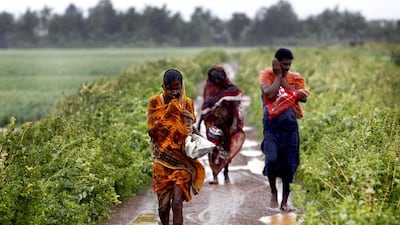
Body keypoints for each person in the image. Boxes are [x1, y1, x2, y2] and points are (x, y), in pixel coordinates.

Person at [147, 68, 205, 225]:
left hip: (182, 161)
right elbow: (152, 131)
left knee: (177, 203)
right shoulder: (155, 102)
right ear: (163, 87)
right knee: (163, 208)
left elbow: (189, 127)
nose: (174, 92)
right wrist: (171, 110)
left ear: (182, 86)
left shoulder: (187, 103)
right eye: (170, 88)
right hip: (162, 160)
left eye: (177, 88)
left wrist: (202, 140)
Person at [259, 48, 309, 211]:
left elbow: (303, 97)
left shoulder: (295, 78)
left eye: (289, 65)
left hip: (290, 127)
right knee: (271, 160)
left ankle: (284, 201)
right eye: (283, 64)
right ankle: (273, 192)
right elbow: (269, 93)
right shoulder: (267, 75)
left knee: (289, 164)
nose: (287, 67)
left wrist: (284, 81)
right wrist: (278, 76)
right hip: (271, 126)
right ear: (276, 62)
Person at [198, 65, 245, 185]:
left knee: (226, 148)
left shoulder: (230, 89)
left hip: (227, 124)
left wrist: (235, 122)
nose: (218, 81)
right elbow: (205, 107)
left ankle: (226, 173)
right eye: (215, 79)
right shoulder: (209, 89)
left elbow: (236, 107)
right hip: (212, 123)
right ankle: (214, 175)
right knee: (213, 148)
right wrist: (199, 123)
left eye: (219, 79)